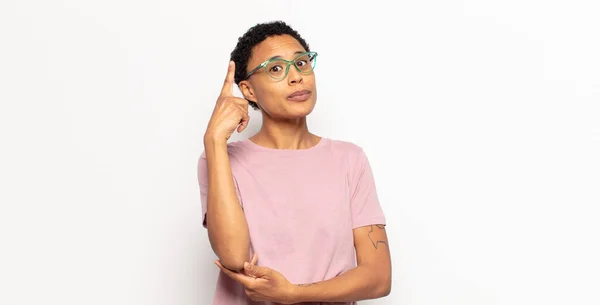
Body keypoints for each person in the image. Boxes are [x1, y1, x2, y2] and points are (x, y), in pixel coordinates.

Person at [197, 21, 391, 305]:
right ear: (248, 91)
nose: (296, 77)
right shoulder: (220, 160)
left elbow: (378, 277)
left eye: (301, 63)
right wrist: (214, 140)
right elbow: (233, 256)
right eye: (276, 68)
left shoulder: (349, 160)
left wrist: (293, 294)